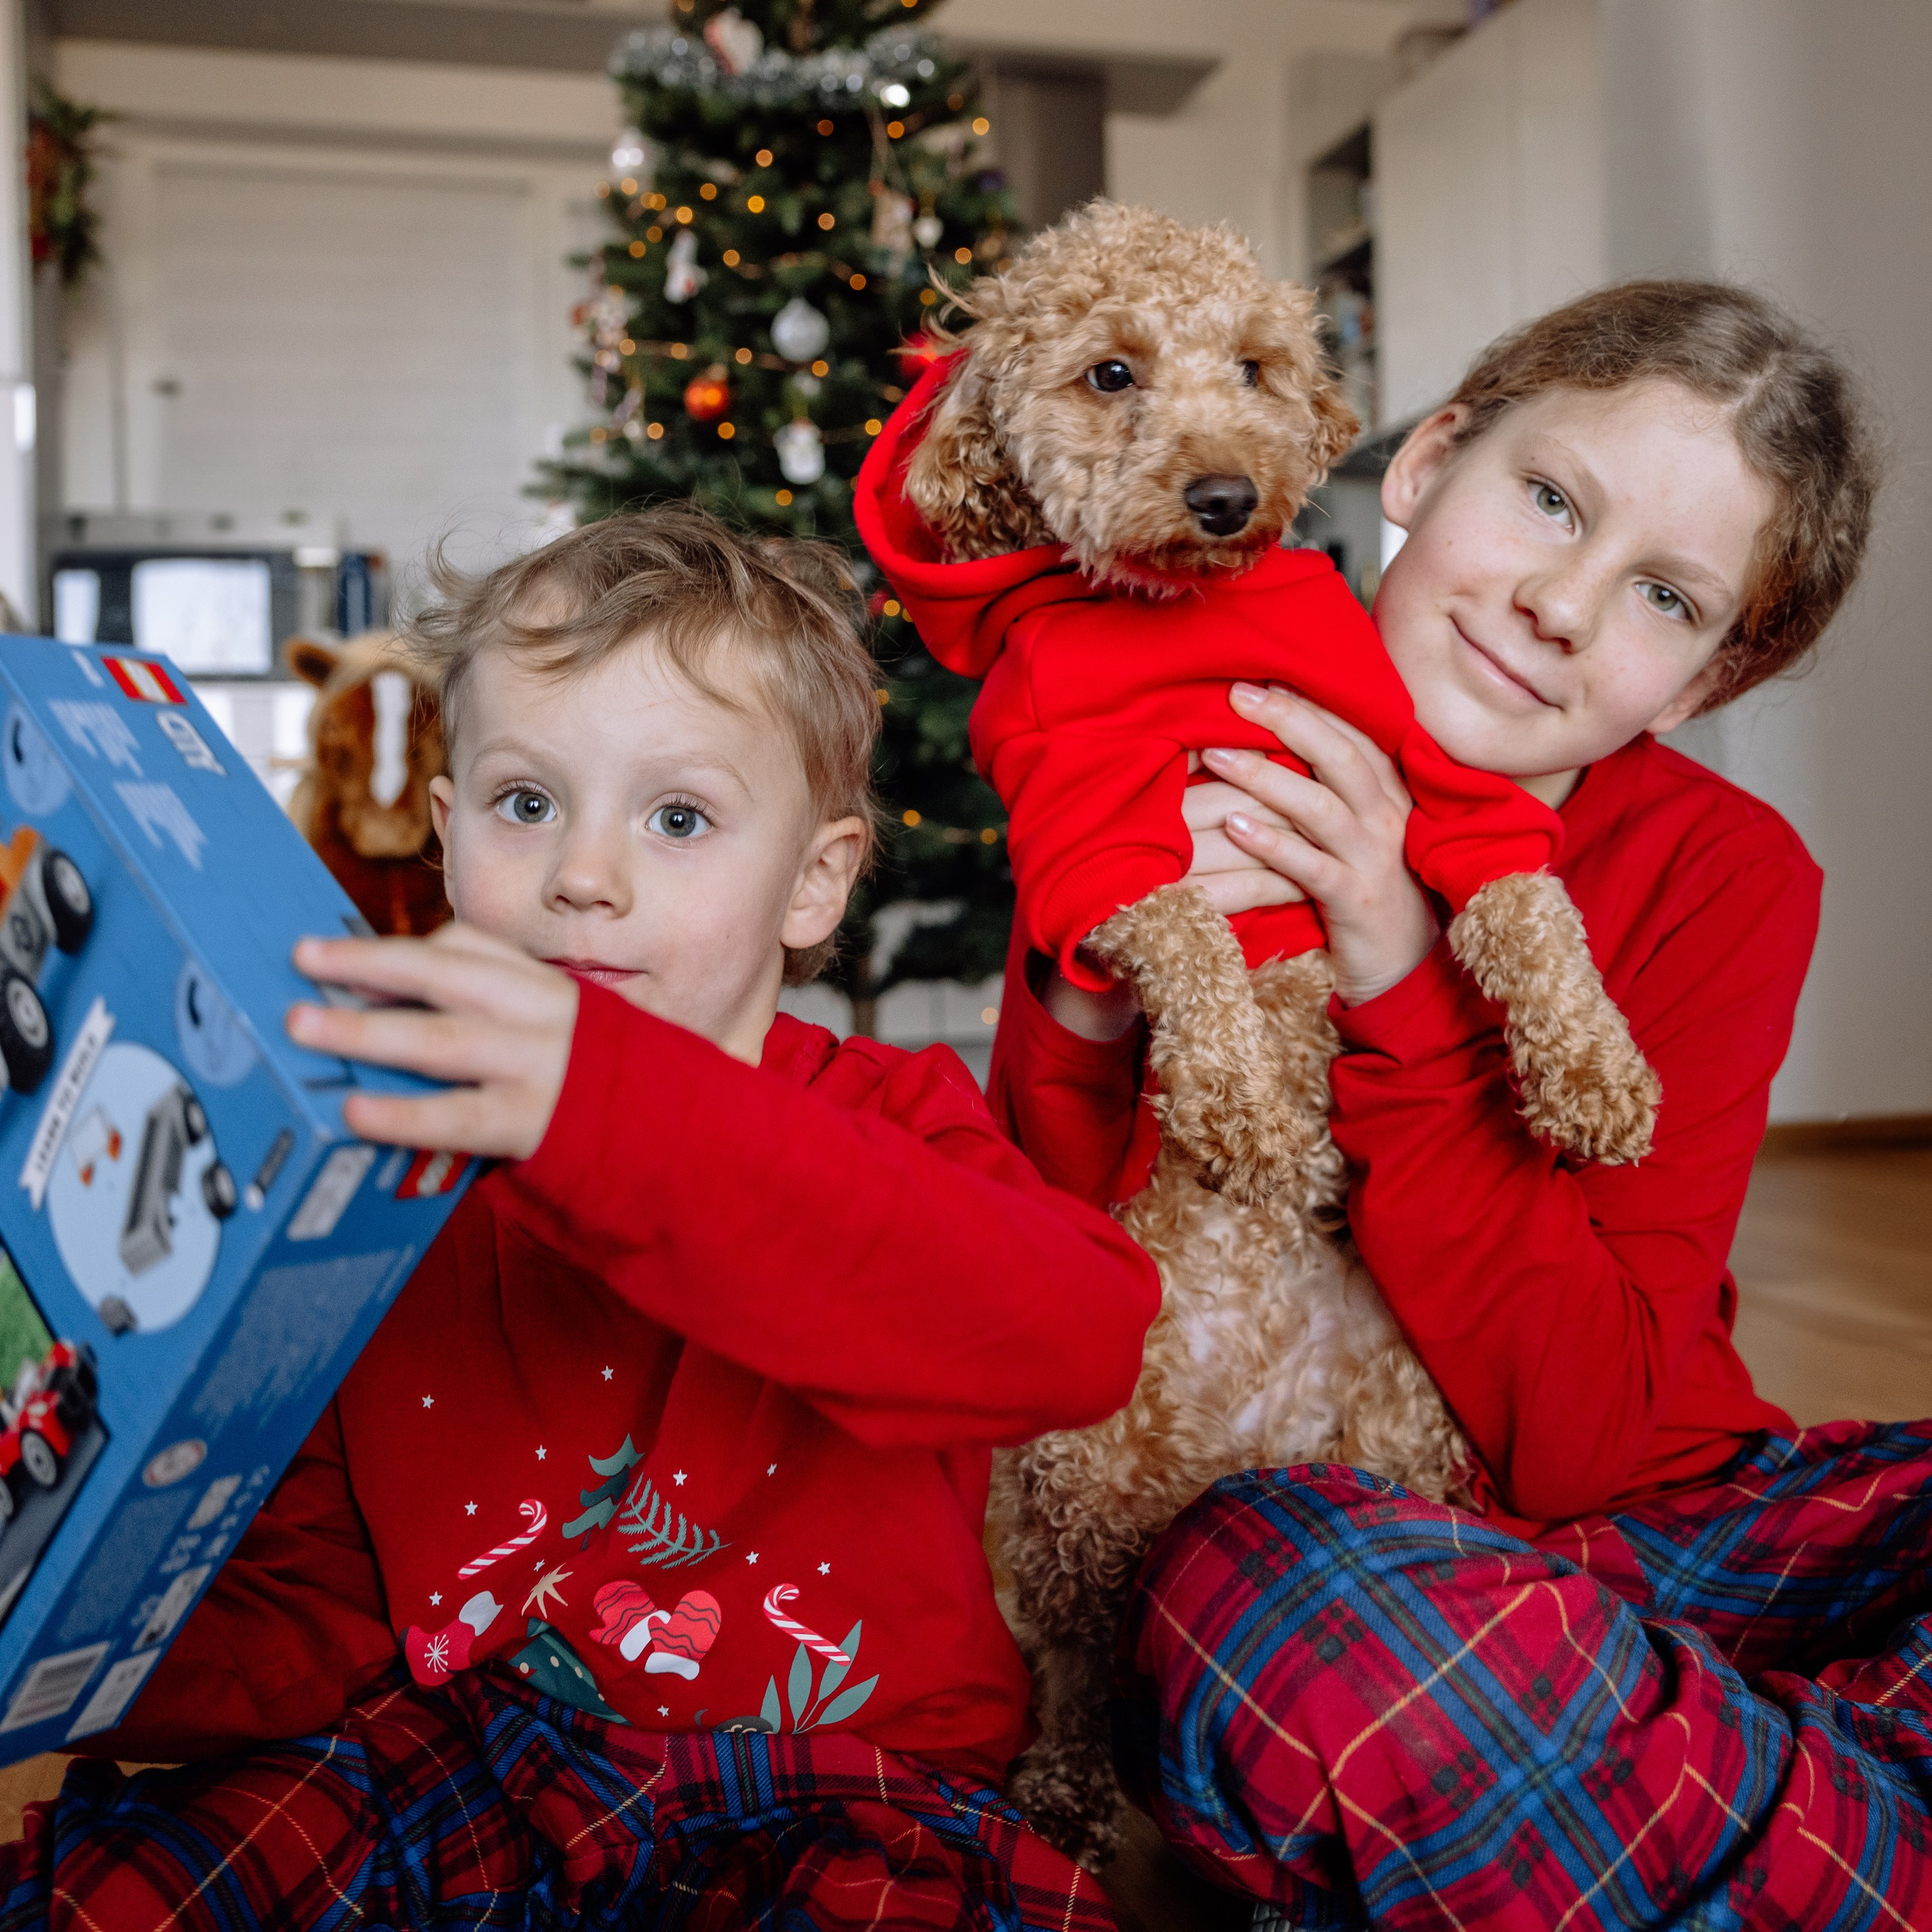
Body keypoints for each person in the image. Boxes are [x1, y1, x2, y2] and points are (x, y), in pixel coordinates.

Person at [0, 509, 1155, 1930]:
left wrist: (598, 1108)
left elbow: (1075, 1335)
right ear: (441, 836)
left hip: (843, 1782)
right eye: (526, 804)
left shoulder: (887, 1112)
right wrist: (70, 1655)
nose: (583, 877)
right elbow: (314, 1595)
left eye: (678, 819)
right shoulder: (388, 1162)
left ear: (818, 878)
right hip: (455, 1756)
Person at [990, 283, 1927, 1927]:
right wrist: (1082, 988)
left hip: (1635, 1528)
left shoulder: (1725, 877)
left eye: (1661, 593)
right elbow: (1026, 1302)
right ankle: (1800, 1802)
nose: (1560, 602)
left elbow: (1591, 1440)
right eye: (1548, 500)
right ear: (1426, 461)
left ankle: (1719, 1792)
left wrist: (1398, 974)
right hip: (1353, 1579)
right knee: (1273, 1595)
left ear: (1714, 674)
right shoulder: (1173, 731)